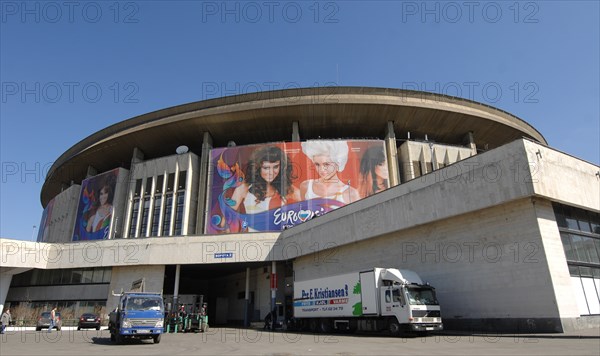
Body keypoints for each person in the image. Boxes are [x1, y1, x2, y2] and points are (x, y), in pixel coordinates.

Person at [230, 145, 300, 215]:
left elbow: (308, 203)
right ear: (257, 168)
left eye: (276, 167)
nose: (271, 173)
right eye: (266, 168)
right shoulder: (243, 189)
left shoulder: (286, 188)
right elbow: (225, 221)